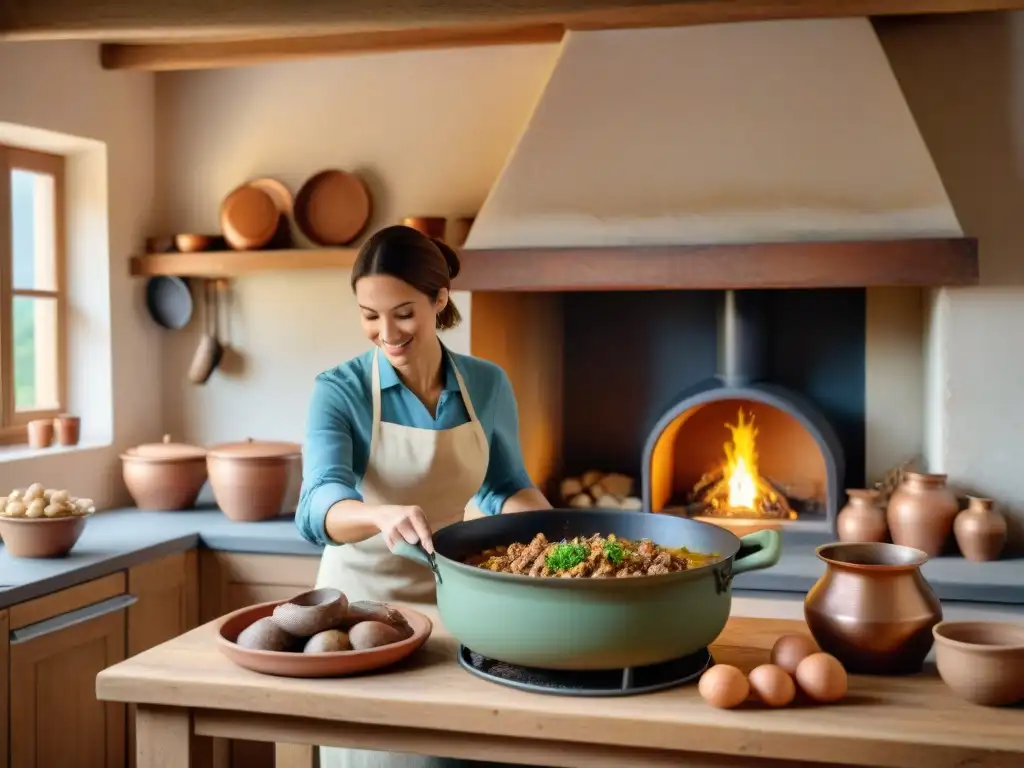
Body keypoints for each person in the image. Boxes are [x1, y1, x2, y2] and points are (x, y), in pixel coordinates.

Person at [297, 224, 552, 768]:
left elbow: (505, 486)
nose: (386, 331)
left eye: (403, 312)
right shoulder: (338, 391)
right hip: (358, 619)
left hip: (457, 609)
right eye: (369, 315)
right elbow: (317, 505)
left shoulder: (485, 384)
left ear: (439, 299)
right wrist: (377, 514)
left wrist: (555, 537)